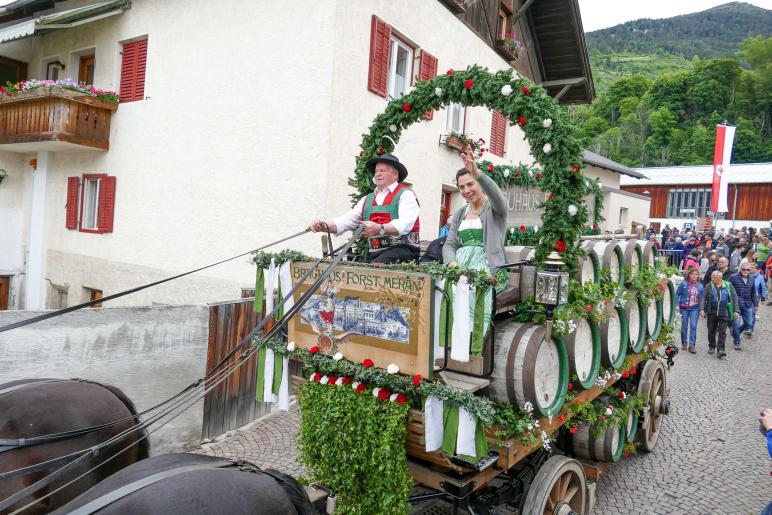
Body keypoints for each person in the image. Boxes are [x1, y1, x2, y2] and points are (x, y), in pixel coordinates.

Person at [443, 144, 507, 350]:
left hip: (487, 267)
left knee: (472, 287)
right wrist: (452, 263)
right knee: (443, 287)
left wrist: (477, 172)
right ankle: (448, 346)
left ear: (479, 184)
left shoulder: (495, 210)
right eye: (461, 187)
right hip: (459, 267)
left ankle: (472, 347)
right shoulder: (461, 212)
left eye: (470, 184)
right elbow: (450, 243)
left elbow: (499, 198)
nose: (466, 191)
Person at [308, 154, 420, 263]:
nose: (377, 174)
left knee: (374, 267)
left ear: (395, 174)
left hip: (403, 251)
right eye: (376, 171)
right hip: (375, 254)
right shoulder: (367, 199)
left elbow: (404, 224)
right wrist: (324, 226)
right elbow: (345, 220)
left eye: (382, 171)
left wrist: (379, 228)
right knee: (353, 268)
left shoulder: (406, 195)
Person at [700, 270, 739, 358]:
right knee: (711, 330)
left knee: (722, 332)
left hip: (724, 313)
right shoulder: (708, 286)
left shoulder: (728, 286)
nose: (712, 279)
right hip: (711, 312)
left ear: (720, 278)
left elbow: (735, 298)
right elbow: (703, 297)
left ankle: (721, 350)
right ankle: (711, 346)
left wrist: (736, 310)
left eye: (714, 277)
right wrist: (702, 309)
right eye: (712, 277)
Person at [728, 262, 757, 349]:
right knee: (736, 324)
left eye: (748, 270)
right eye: (743, 269)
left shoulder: (752, 278)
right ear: (740, 269)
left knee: (749, 323)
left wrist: (755, 304)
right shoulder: (733, 277)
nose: (745, 271)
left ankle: (734, 333)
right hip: (736, 304)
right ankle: (737, 342)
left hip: (747, 304)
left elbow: (753, 292)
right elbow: (728, 291)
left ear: (750, 270)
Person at [676, 267, 703, 353]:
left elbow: (702, 298)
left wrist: (702, 309)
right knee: (684, 325)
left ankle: (692, 345)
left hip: (695, 308)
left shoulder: (700, 285)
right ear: (689, 275)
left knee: (693, 325)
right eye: (693, 274)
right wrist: (676, 305)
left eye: (696, 274)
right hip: (684, 307)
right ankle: (684, 342)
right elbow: (677, 294)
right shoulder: (683, 284)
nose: (694, 276)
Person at [750, 262, 767, 328]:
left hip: (755, 298)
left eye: (752, 268)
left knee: (752, 313)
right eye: (750, 267)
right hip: (746, 297)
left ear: (756, 269)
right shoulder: (746, 275)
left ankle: (750, 329)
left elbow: (763, 288)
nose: (750, 269)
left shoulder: (760, 277)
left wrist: (763, 298)